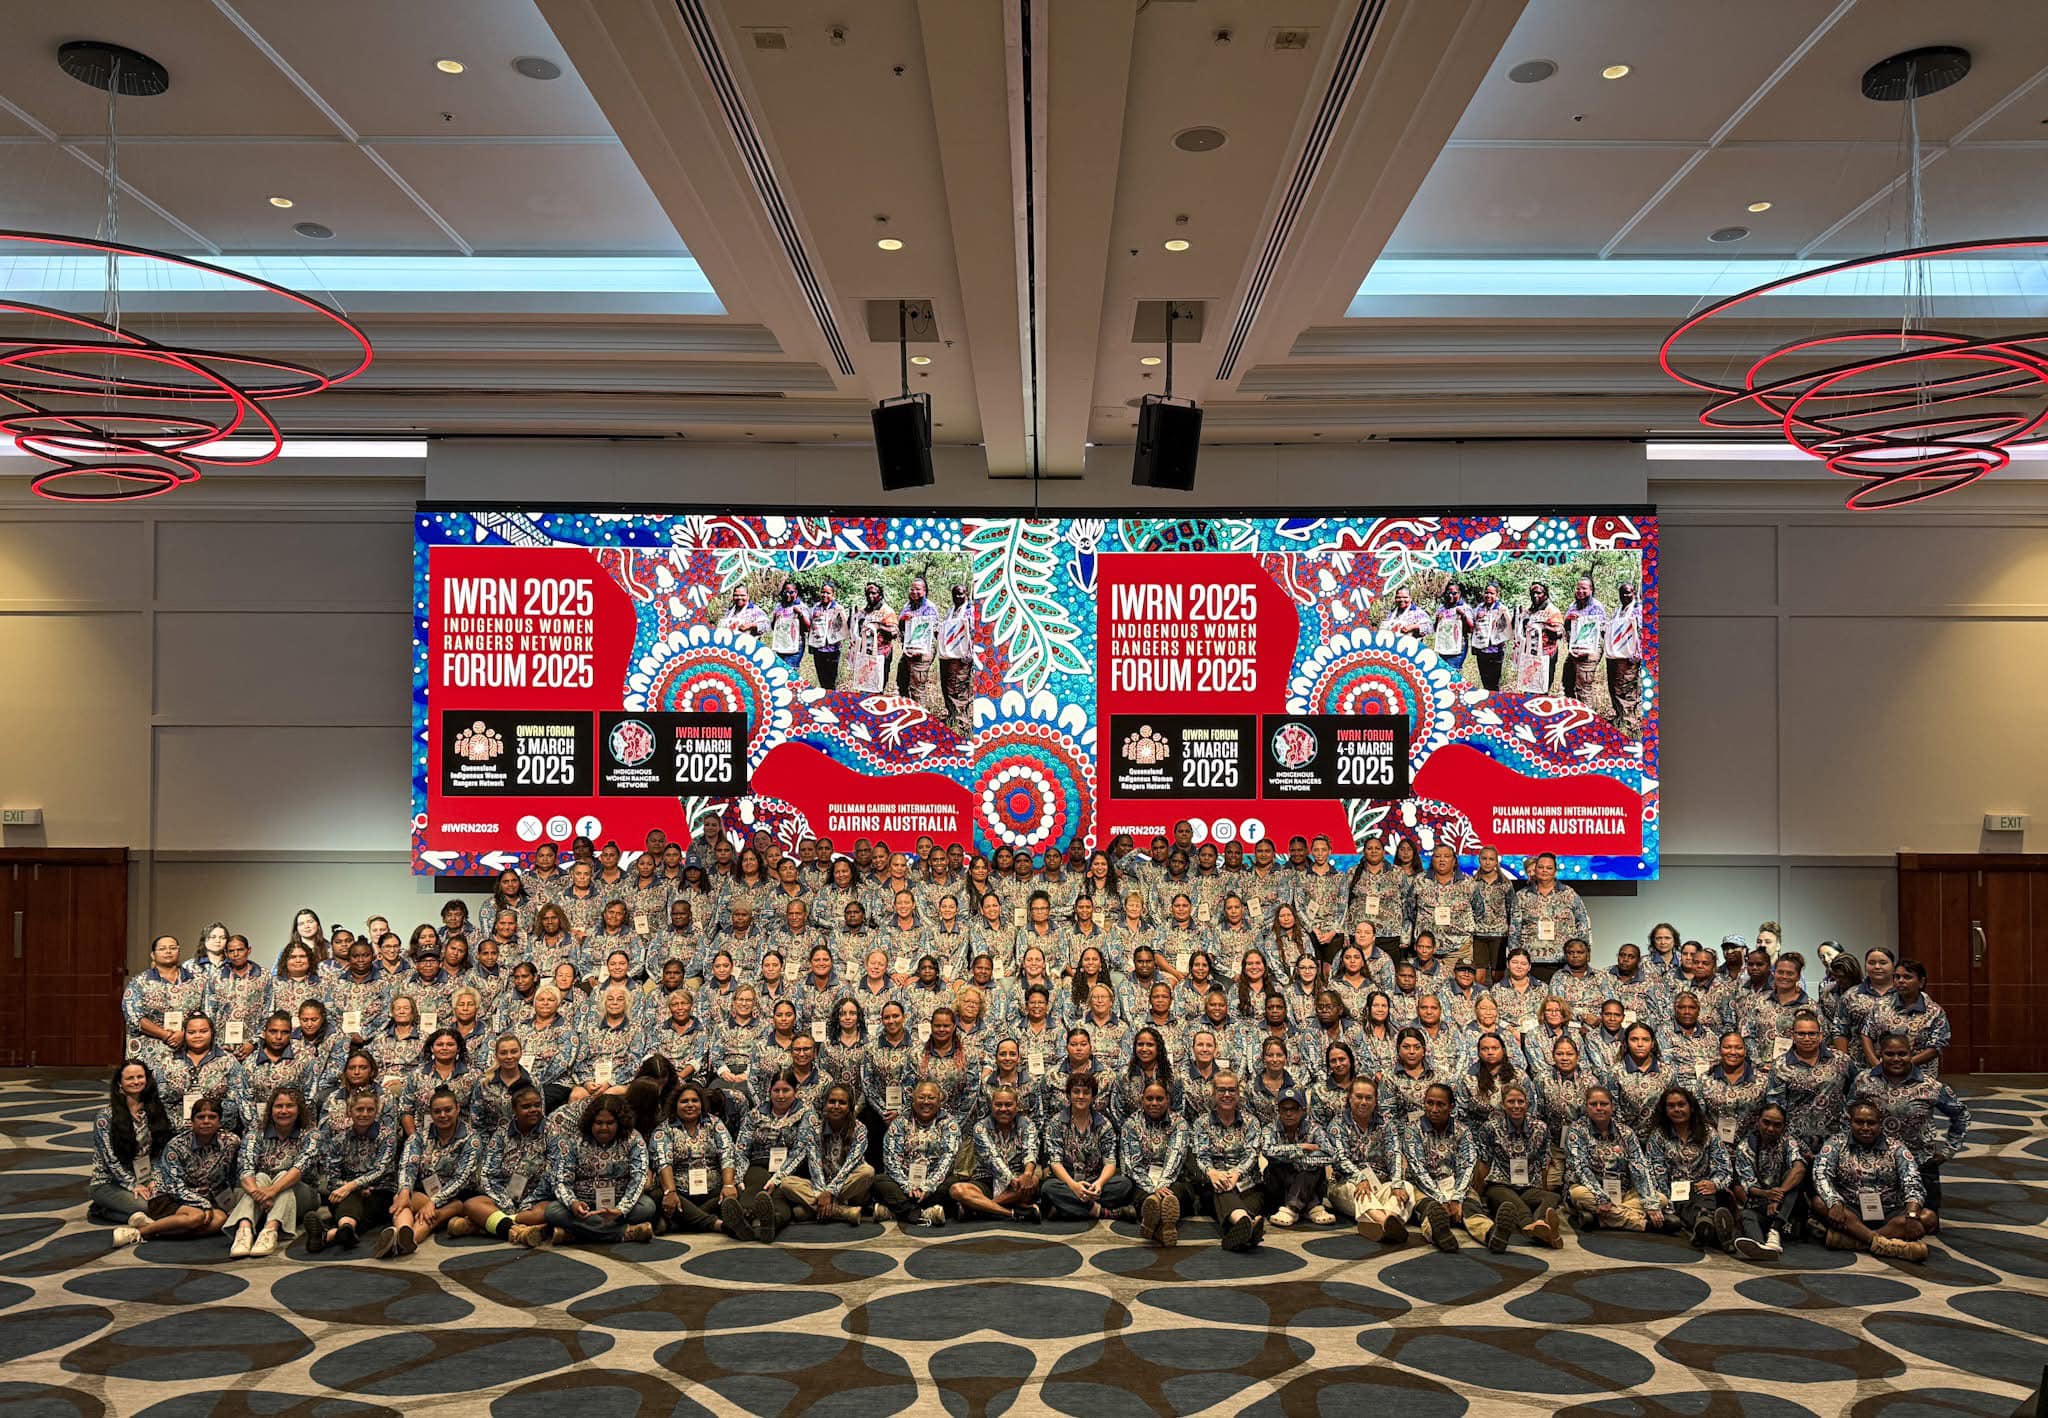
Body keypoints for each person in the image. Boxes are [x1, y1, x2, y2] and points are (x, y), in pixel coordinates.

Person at [1852, 1032, 1968, 1228]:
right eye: (1890, 1054)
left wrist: (1949, 1150)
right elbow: (1849, 1113)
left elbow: (1961, 1115)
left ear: (1911, 1054)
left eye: (1902, 1054)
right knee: (1874, 1221)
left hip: (1920, 1163)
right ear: (1880, 1054)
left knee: (1925, 1225)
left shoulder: (1930, 1086)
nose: (1896, 1059)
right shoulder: (1864, 1080)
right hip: (1875, 1164)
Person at [112, 1095, 238, 1247]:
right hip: (169, 1196)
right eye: (200, 1117)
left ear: (219, 1122)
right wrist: (203, 1204)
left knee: (220, 1220)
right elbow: (175, 1187)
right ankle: (139, 1232)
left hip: (204, 1196)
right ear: (192, 1122)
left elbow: (232, 1174)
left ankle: (159, 1227)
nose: (206, 1121)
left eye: (212, 1117)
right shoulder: (176, 1146)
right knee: (196, 1217)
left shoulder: (230, 1142)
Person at [1812, 1100, 1930, 1260]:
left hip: (1889, 1210)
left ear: (1880, 1124)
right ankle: (1884, 1245)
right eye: (1859, 1122)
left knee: (1927, 1217)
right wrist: (1834, 1202)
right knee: (1820, 1203)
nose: (1865, 1128)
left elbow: (1912, 1181)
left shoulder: (1896, 1147)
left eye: (1871, 1123)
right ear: (1850, 1122)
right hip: (1850, 1210)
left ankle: (1857, 1241)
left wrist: (1911, 1214)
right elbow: (1821, 1173)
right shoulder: (1836, 1143)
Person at [375, 1085, 481, 1257]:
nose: (443, 1115)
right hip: (425, 1193)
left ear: (458, 1109)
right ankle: (403, 1233)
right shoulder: (420, 1136)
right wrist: (404, 1191)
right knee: (402, 1199)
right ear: (430, 1114)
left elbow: (462, 1179)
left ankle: (407, 1241)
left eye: (448, 1110)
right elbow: (407, 1164)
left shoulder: (471, 1139)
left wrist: (434, 1202)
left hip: (456, 1198)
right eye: (437, 1111)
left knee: (434, 1214)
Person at [546, 1094, 657, 1245]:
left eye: (610, 1123)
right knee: (553, 1211)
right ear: (591, 1122)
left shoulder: (634, 1140)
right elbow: (560, 1179)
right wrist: (573, 1203)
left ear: (619, 1122)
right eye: (599, 1122)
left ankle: (576, 1235)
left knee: (647, 1207)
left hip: (619, 1205)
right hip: (584, 1206)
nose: (604, 1128)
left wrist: (621, 1209)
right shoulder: (575, 1140)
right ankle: (625, 1232)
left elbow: (639, 1178)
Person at [1643, 1087, 1736, 1253]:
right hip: (1674, 1191)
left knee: (1704, 1195)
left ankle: (1705, 1224)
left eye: (1681, 1105)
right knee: (1689, 1204)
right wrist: (1667, 1204)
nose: (1677, 1109)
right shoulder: (1658, 1136)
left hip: (1703, 1188)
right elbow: (1654, 1173)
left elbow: (1724, 1166)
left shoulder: (1709, 1133)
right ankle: (1714, 1230)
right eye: (1671, 1106)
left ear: (1691, 1107)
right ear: (1665, 1110)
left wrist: (1715, 1184)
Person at [727, 1069, 816, 1241]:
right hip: (759, 1164)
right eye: (776, 1091)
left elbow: (801, 1150)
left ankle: (769, 1221)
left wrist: (777, 1177)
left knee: (779, 1195)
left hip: (791, 1170)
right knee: (755, 1187)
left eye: (786, 1090)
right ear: (770, 1091)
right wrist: (738, 1178)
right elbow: (741, 1149)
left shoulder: (806, 1114)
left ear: (796, 1091)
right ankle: (743, 1221)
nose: (781, 1096)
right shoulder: (755, 1114)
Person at [1472, 1081, 1563, 1249]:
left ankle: (1542, 1224)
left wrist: (1542, 1189)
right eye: (1511, 1102)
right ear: (1503, 1105)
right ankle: (1531, 1226)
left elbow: (1544, 1162)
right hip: (1499, 1184)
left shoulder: (1540, 1128)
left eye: (1520, 1102)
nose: (1516, 1106)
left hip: (1528, 1185)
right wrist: (1479, 1195)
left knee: (1553, 1197)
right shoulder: (1490, 1128)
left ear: (1527, 1104)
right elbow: (1484, 1161)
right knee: (1513, 1202)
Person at [1322, 1077, 1412, 1244]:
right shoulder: (1337, 1124)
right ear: (1349, 1098)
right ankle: (1388, 1222)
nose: (1363, 1102)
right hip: (1347, 1183)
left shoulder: (1387, 1124)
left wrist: (1397, 1183)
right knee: (1359, 1192)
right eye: (1359, 1097)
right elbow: (1339, 1158)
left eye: (1368, 1098)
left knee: (1407, 1187)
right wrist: (1360, 1178)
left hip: (1381, 1182)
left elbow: (1395, 1153)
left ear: (1376, 1100)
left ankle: (1381, 1223)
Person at [1563, 1085, 1662, 1234]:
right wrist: (1601, 1196)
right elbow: (1580, 1168)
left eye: (1604, 1104)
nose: (1599, 1108)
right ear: (1586, 1107)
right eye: (1593, 1104)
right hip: (1591, 1191)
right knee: (1578, 1195)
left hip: (1622, 1192)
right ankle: (1641, 1223)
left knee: (1660, 1198)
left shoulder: (1626, 1133)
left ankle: (1601, 1219)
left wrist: (1651, 1203)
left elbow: (1639, 1166)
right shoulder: (1577, 1131)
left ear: (1612, 1106)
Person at [1041, 1072, 1131, 1222]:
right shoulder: (1056, 1123)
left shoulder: (1104, 1124)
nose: (1081, 1096)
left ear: (1093, 1096)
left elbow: (1110, 1162)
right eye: (1076, 1092)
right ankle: (1102, 1211)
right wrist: (1074, 1186)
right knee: (1047, 1188)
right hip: (1067, 1182)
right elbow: (1055, 1162)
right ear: (1068, 1095)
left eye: (1086, 1092)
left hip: (1094, 1182)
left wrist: (1100, 1183)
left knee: (1125, 1185)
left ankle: (1066, 1209)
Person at [1192, 1071, 1267, 1251]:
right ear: (1213, 1093)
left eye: (1232, 1090)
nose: (1227, 1095)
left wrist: (1236, 1173)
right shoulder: (1202, 1123)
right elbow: (1200, 1156)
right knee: (1222, 1189)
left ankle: (1241, 1227)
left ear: (1238, 1093)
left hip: (1247, 1185)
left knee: (1238, 1206)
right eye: (1222, 1090)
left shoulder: (1251, 1122)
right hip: (1215, 1184)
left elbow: (1252, 1153)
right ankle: (1247, 1223)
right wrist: (1212, 1173)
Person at [652, 1080, 738, 1235]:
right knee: (660, 1195)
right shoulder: (664, 1130)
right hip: (681, 1194)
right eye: (684, 1101)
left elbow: (727, 1154)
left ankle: (683, 1221)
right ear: (675, 1105)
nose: (690, 1105)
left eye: (694, 1100)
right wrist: (670, 1192)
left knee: (734, 1189)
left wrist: (728, 1186)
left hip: (712, 1191)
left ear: (701, 1104)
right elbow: (663, 1163)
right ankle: (719, 1225)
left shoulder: (714, 1123)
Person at [91, 1061, 171, 1226]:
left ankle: (114, 1211)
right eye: (130, 1078)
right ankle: (101, 1208)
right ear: (120, 1083)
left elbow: (158, 1150)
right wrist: (132, 1184)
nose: (136, 1081)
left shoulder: (154, 1110)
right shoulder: (105, 1117)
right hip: (109, 1181)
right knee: (148, 1208)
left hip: (144, 1175)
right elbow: (110, 1160)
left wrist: (154, 1179)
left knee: (167, 1202)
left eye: (140, 1077)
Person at [1401, 1082, 1478, 1251]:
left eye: (1440, 1104)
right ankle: (1439, 1234)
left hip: (1455, 1184)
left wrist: (1457, 1197)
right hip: (1423, 1187)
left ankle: (1491, 1234)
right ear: (1424, 1103)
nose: (1434, 1109)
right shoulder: (1412, 1130)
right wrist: (1441, 1198)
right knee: (1430, 1209)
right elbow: (1417, 1168)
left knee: (1472, 1209)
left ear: (1451, 1107)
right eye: (1430, 1103)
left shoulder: (1463, 1131)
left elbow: (1468, 1165)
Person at [876, 1079, 963, 1228]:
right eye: (921, 1097)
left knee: (954, 1183)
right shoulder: (900, 1122)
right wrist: (907, 1186)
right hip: (903, 1184)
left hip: (934, 1184)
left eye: (931, 1098)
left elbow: (948, 1159)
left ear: (939, 1100)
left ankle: (897, 1212)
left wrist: (927, 1187)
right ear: (913, 1099)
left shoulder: (949, 1124)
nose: (926, 1102)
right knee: (879, 1180)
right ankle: (924, 1214)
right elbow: (891, 1160)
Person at [955, 1083, 1044, 1223]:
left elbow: (1031, 1150)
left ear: (1017, 1106)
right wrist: (1010, 1179)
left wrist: (1027, 1174)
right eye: (998, 1105)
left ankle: (978, 1209)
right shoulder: (980, 1127)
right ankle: (1011, 1212)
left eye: (1008, 1105)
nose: (1003, 1109)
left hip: (1018, 1180)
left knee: (1033, 1181)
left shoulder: (1027, 1124)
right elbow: (992, 1158)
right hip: (987, 1179)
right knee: (957, 1190)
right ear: (992, 1106)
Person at [785, 1083, 872, 1225]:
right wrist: (822, 1191)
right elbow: (815, 1164)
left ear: (850, 1106)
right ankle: (842, 1211)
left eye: (842, 1103)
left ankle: (816, 1209)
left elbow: (851, 1165)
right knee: (786, 1183)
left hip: (849, 1186)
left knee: (867, 1172)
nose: (836, 1106)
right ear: (825, 1104)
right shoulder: (815, 1129)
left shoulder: (860, 1129)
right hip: (821, 1186)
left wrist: (830, 1193)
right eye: (832, 1102)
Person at [1730, 1102, 1804, 1261]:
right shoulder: (1745, 1146)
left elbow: (1799, 1169)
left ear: (1784, 1126)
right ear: (1758, 1121)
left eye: (1777, 1125)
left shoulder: (1788, 1142)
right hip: (1761, 1203)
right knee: (1746, 1214)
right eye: (1766, 1122)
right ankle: (1761, 1246)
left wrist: (1778, 1195)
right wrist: (1767, 1194)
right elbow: (1748, 1185)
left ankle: (1775, 1230)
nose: (1770, 1129)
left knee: (1793, 1180)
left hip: (1787, 1206)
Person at [1118, 1080, 1190, 1245]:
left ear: (1168, 1100)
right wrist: (1152, 1188)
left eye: (1159, 1099)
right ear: (1142, 1100)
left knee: (1174, 1194)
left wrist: (1162, 1185)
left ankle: (1154, 1221)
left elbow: (1176, 1156)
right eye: (1149, 1099)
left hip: (1172, 1179)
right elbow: (1132, 1164)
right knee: (1144, 1196)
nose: (1154, 1103)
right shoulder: (1131, 1124)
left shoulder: (1179, 1123)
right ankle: (1163, 1224)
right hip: (1142, 1181)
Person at [1263, 1088, 1333, 1227]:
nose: (1289, 1113)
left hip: (1308, 1179)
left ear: (1303, 1110)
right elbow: (1267, 1150)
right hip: (1279, 1185)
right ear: (1279, 1111)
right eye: (1284, 1109)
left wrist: (1297, 1160)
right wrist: (1300, 1148)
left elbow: (1329, 1154)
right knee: (1277, 1165)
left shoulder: (1315, 1129)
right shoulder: (1270, 1129)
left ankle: (1291, 1208)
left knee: (1312, 1168)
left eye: (1294, 1109)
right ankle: (1312, 1206)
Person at [937, 581, 976, 732]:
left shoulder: (970, 610)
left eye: (961, 593)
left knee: (959, 686)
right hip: (948, 654)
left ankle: (961, 722)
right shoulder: (950, 611)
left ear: (966, 594)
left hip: (962, 656)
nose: (958, 596)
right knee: (947, 686)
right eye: (955, 594)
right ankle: (952, 715)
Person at [1561, 577, 1607, 705]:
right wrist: (1568, 619)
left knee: (1583, 688)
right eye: (1578, 588)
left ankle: (1588, 719)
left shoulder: (1596, 607)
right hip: (1574, 649)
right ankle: (1574, 712)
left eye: (1584, 588)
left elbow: (1601, 632)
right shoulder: (1573, 605)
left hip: (1589, 651)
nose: (1580, 591)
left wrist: (1584, 620)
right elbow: (1566, 628)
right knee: (1567, 682)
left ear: (1591, 590)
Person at [1604, 579, 1642, 732]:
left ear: (1634, 593)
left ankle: (1629, 722)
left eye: (1628, 592)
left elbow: (1643, 633)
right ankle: (1619, 716)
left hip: (1628, 656)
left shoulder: (1638, 610)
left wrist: (1638, 653)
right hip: (1614, 655)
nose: (1625, 595)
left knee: (1627, 688)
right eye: (1622, 593)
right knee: (1614, 687)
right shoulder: (1618, 611)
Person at [1512, 581, 1564, 692]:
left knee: (1542, 687)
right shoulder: (1528, 611)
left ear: (1545, 594)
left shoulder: (1552, 610)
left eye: (1538, 593)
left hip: (1546, 655)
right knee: (1528, 685)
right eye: (1532, 593)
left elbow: (1559, 633)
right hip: (1529, 655)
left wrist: (1544, 626)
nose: (1535, 595)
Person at [807, 581, 850, 691]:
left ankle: (832, 702)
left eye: (828, 593)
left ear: (833, 595)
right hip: (819, 649)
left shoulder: (838, 608)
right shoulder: (815, 608)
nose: (824, 595)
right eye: (823, 592)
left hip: (833, 650)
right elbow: (810, 627)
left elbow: (844, 627)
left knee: (831, 680)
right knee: (822, 679)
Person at [1471, 582, 1513, 692]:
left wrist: (1497, 622)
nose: (1488, 595)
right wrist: (1477, 617)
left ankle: (1495, 704)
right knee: (1485, 681)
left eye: (1492, 593)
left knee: (1494, 682)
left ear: (1497, 595)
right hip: (1481, 650)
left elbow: (1508, 628)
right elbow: (1472, 625)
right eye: (1486, 592)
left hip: (1496, 651)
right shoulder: (1479, 608)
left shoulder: (1502, 609)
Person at [767, 577, 810, 674]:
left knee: (790, 672)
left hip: (795, 646)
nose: (788, 595)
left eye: (791, 592)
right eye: (785, 592)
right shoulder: (779, 606)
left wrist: (800, 614)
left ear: (796, 593)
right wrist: (775, 619)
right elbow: (774, 628)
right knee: (780, 672)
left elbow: (808, 628)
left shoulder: (801, 607)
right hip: (781, 644)